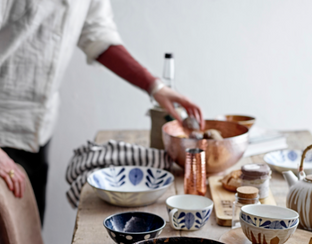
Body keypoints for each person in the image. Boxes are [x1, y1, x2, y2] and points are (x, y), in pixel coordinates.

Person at [0, 0, 203, 224]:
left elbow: (97, 35)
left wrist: (155, 87)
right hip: (2, 129)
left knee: (27, 231)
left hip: (37, 127)